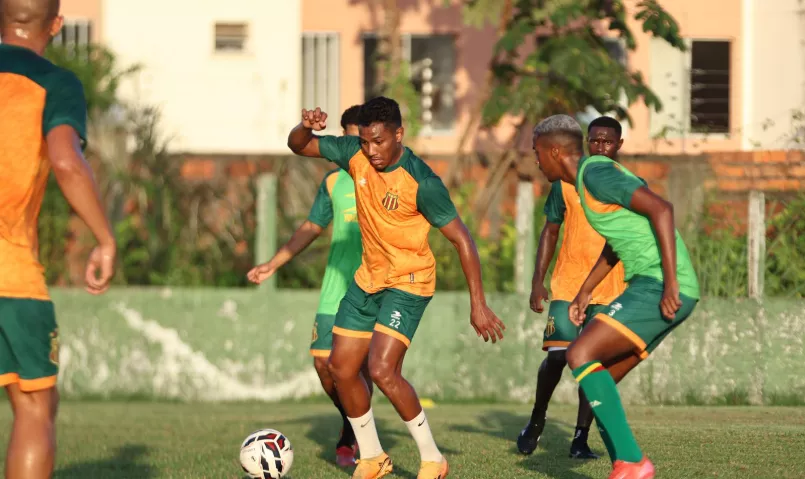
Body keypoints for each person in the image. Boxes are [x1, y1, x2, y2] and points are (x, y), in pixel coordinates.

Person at [287, 96, 505, 479]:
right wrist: (306, 126)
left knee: (383, 370)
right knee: (341, 368)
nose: (371, 151)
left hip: (409, 282)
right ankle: (372, 457)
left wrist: (478, 304)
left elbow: (463, 239)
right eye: (366, 141)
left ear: (399, 134)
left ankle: (433, 459)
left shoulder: (422, 181)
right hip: (366, 279)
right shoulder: (354, 153)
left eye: (379, 142)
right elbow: (299, 145)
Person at [532, 114, 700, 479]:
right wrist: (585, 291)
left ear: (554, 151)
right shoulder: (586, 182)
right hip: (650, 283)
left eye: (537, 152)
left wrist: (670, 283)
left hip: (659, 284)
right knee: (600, 375)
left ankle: (633, 463)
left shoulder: (595, 173)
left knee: (579, 353)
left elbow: (662, 209)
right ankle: (627, 468)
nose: (535, 161)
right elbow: (616, 243)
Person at [0, 1, 117, 477]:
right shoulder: (56, 81)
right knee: (34, 408)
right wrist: (104, 239)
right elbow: (66, 161)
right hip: (9, 272)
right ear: (57, 25)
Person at [247, 105, 372, 467]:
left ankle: (354, 439)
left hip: (373, 285)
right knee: (324, 364)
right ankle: (355, 422)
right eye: (349, 138)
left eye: (361, 140)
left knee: (358, 368)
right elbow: (311, 227)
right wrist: (273, 263)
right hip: (336, 285)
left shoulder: (387, 177)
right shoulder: (333, 182)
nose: (355, 146)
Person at [518, 116, 626, 459]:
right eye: (594, 141)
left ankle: (580, 437)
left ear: (619, 146)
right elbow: (551, 230)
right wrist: (538, 280)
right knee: (559, 355)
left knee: (593, 364)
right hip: (567, 283)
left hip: (609, 288)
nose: (600, 147)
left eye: (607, 142)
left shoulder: (625, 184)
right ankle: (537, 418)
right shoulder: (565, 182)